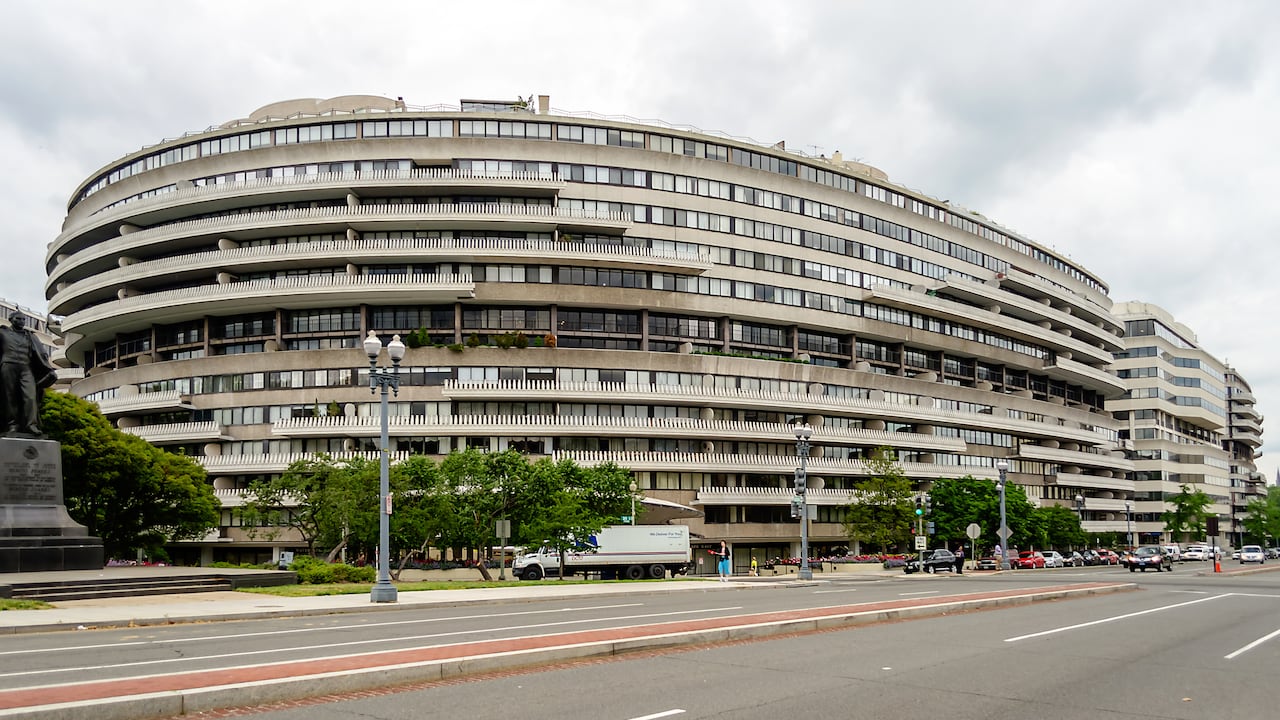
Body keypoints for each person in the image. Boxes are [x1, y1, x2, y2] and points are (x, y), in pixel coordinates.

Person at [0, 313, 58, 436]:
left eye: (23, 319)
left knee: (30, 397)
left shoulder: (30, 336)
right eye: (18, 319)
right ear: (11, 320)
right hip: (8, 365)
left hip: (26, 368)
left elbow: (40, 354)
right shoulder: (2, 333)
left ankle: (31, 425)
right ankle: (12, 425)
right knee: (10, 397)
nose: (21, 321)